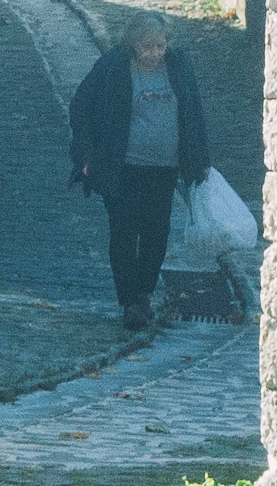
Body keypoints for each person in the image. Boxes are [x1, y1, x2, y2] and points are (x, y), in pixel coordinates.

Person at [62, 20, 216, 332]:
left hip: (164, 168)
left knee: (156, 231)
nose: (155, 53)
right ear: (134, 44)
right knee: (123, 230)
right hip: (123, 167)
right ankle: (129, 301)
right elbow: (81, 106)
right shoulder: (113, 68)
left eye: (160, 46)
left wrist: (199, 159)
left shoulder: (177, 68)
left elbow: (193, 112)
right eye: (149, 47)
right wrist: (87, 155)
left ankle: (145, 293)